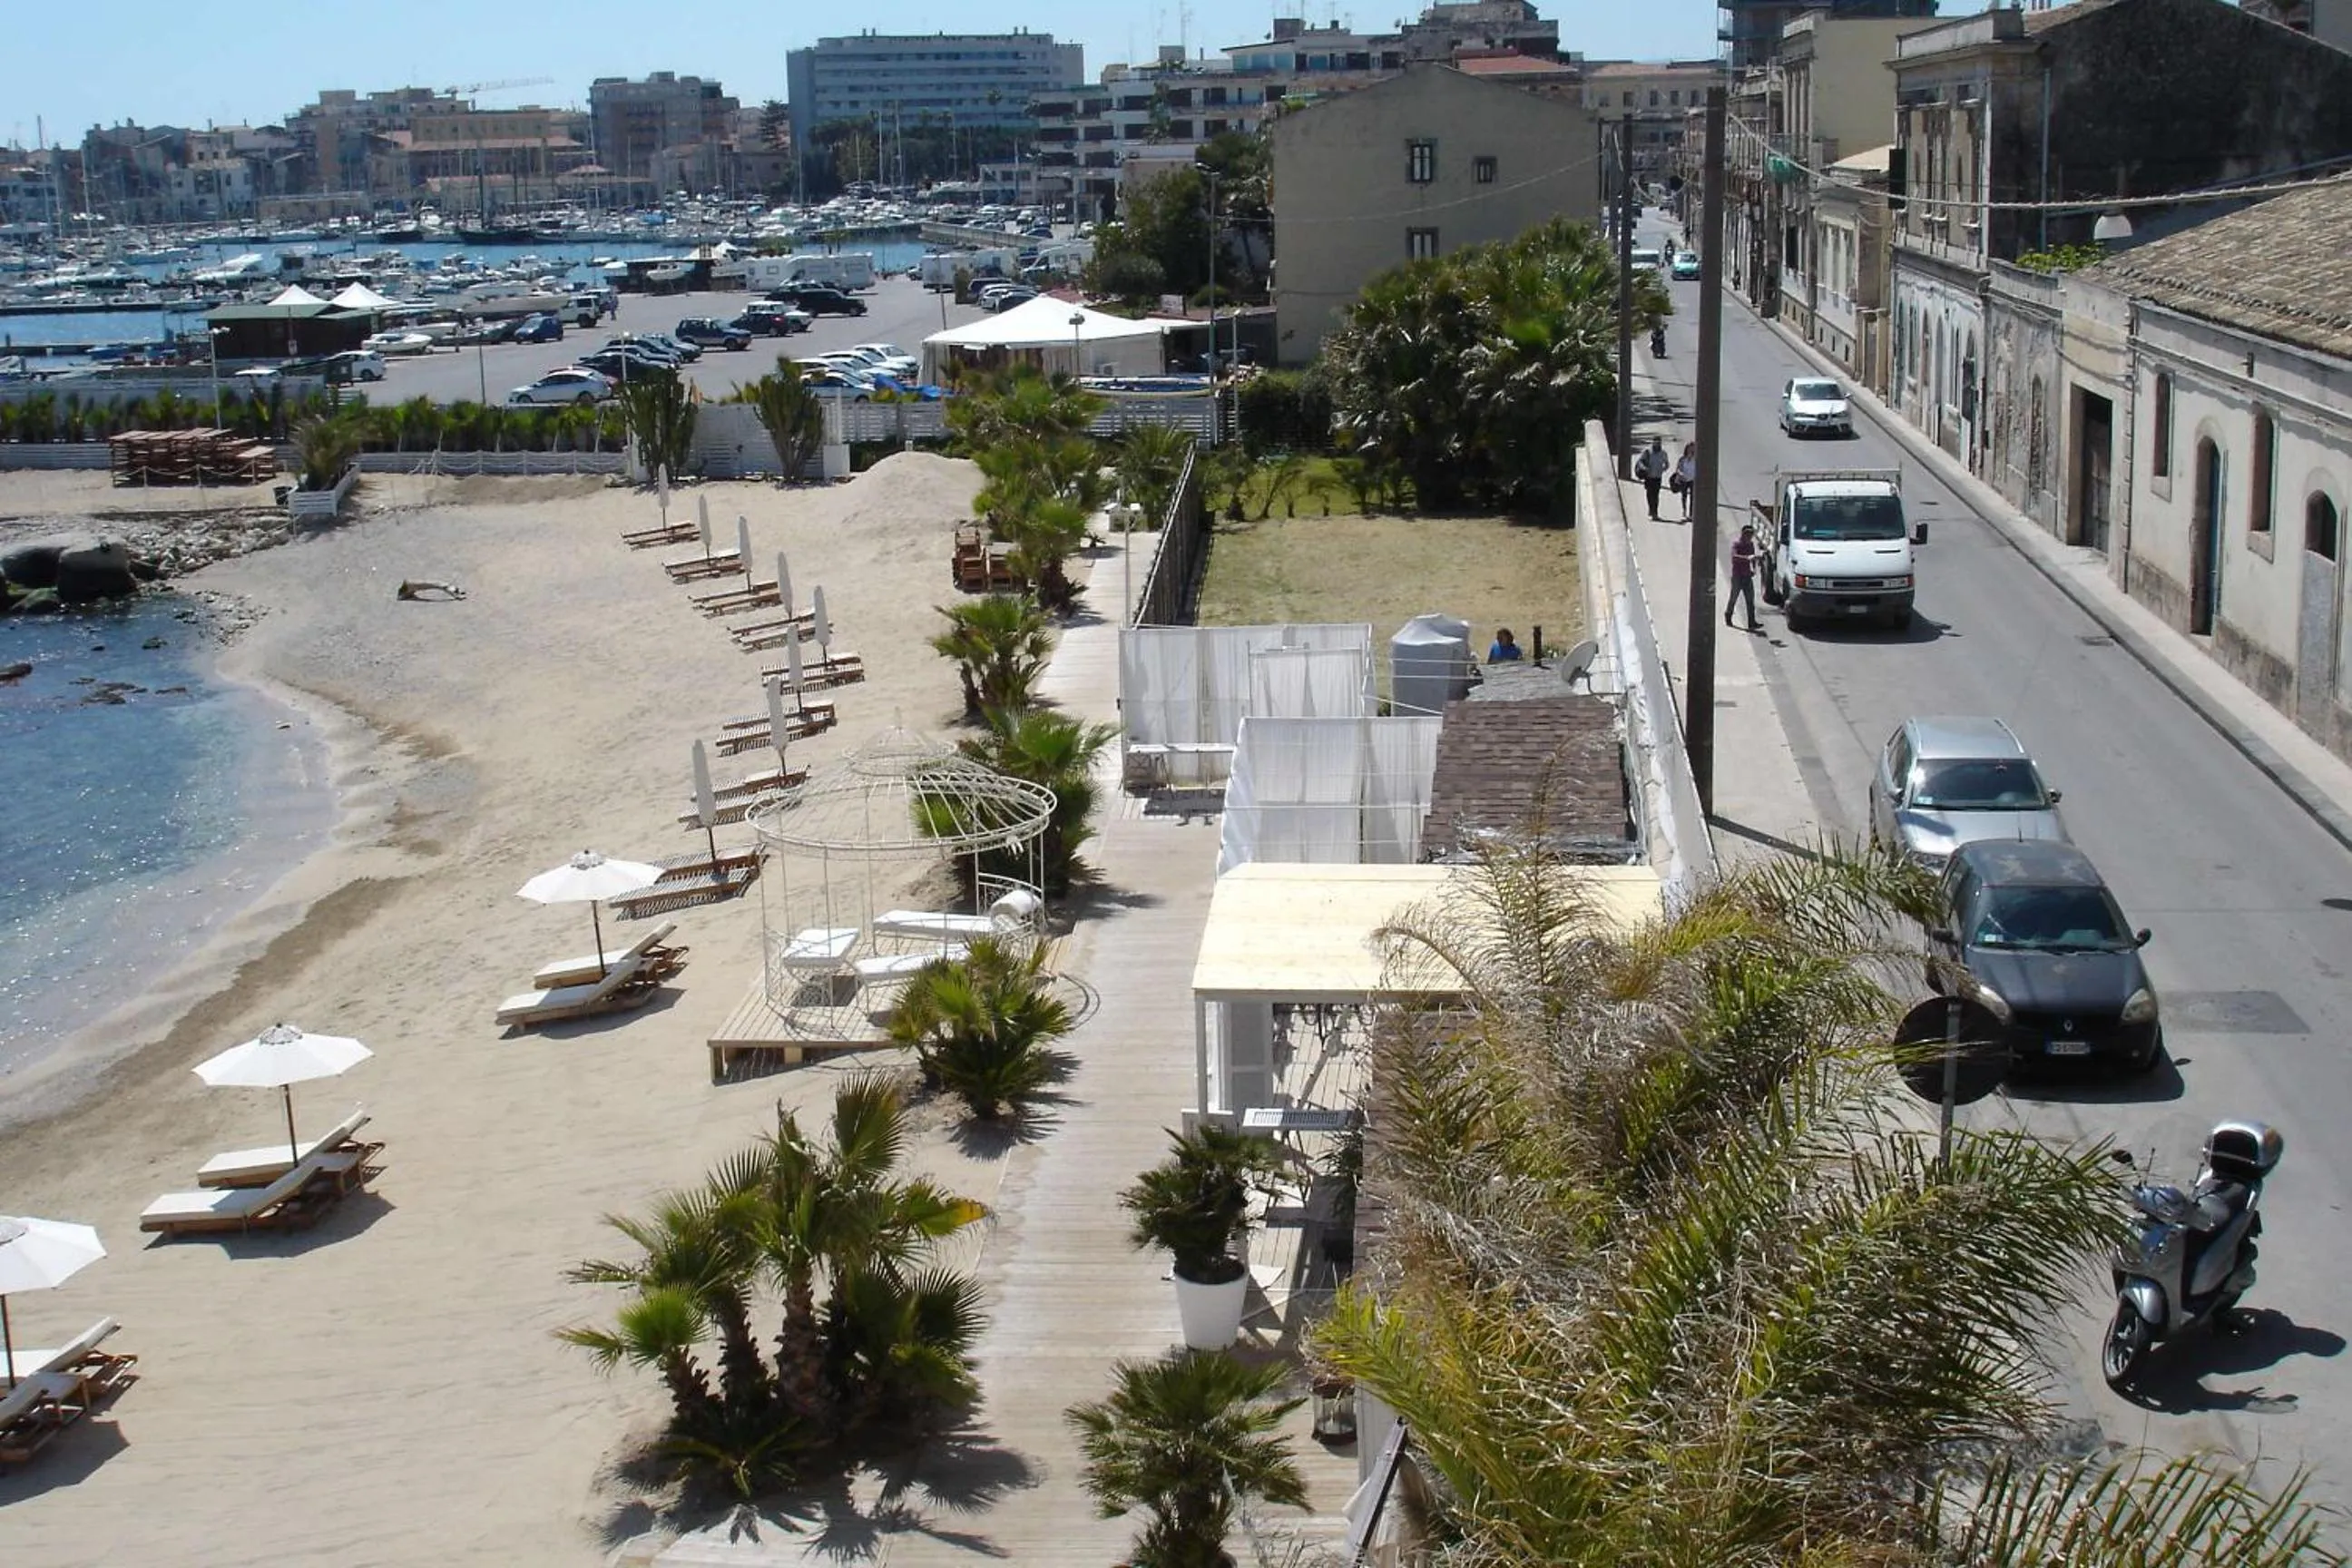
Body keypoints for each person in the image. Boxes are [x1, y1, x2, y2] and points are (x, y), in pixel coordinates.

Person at [1726, 523, 1763, 632]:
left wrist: (1754, 568)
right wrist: (1747, 558)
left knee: (1750, 600)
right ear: (1743, 534)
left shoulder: (1750, 545)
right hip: (1737, 576)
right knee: (1733, 598)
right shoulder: (1737, 544)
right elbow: (1734, 557)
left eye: (1751, 535)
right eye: (1748, 535)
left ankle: (1752, 622)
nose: (1750, 537)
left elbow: (1752, 558)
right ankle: (1728, 615)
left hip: (1747, 576)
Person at [1634, 436, 1670, 519]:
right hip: (1649, 476)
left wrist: (1664, 469)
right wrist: (1644, 468)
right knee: (1649, 494)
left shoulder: (1663, 453)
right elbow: (1640, 462)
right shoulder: (1648, 452)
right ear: (1653, 442)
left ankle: (1655, 513)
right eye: (1655, 442)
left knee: (1656, 495)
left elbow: (1667, 464)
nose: (1657, 444)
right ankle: (1651, 509)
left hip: (1658, 477)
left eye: (1659, 442)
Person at [1670, 441, 1699, 522]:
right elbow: (1678, 469)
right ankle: (1684, 510)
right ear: (1687, 449)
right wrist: (1680, 474)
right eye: (1690, 449)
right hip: (1684, 480)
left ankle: (1691, 514)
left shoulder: (1696, 459)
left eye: (1693, 449)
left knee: (1693, 497)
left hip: (1692, 480)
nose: (1691, 450)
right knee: (1684, 496)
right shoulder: (1682, 459)